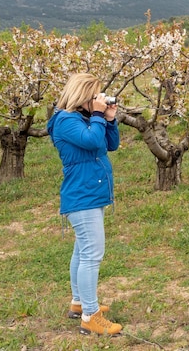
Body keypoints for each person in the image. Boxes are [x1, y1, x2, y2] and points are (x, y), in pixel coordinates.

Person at [47, 73, 122, 336]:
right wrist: (99, 116)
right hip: (82, 196)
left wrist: (108, 119)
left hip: (91, 193)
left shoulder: (85, 119)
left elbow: (110, 145)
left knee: (82, 252)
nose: (99, 100)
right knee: (92, 256)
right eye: (95, 96)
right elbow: (91, 141)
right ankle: (91, 316)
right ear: (83, 96)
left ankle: (79, 303)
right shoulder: (66, 120)